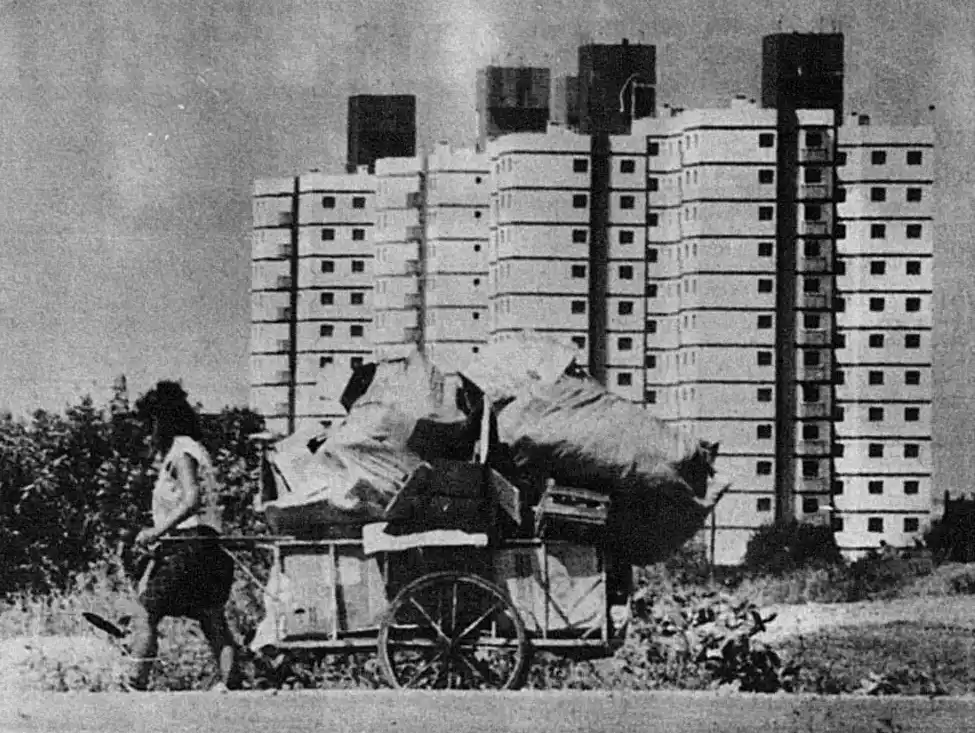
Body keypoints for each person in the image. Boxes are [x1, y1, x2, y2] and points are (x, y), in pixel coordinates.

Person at [128, 380, 239, 692]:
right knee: (212, 618)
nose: (147, 435)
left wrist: (155, 532)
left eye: (149, 425)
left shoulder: (181, 453)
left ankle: (135, 681)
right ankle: (231, 683)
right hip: (207, 546)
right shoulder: (195, 449)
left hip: (186, 547)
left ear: (159, 421)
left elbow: (192, 499)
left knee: (146, 611)